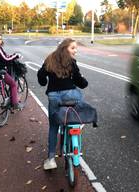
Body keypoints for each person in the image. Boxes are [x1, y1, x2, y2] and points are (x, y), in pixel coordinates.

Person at [37, 38, 88, 170]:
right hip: (70, 95)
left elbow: (41, 75)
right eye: (73, 48)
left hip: (53, 96)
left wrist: (43, 82)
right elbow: (78, 80)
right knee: (79, 106)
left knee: (54, 126)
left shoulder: (50, 59)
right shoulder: (71, 62)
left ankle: (51, 159)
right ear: (65, 48)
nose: (75, 51)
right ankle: (77, 125)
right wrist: (84, 83)